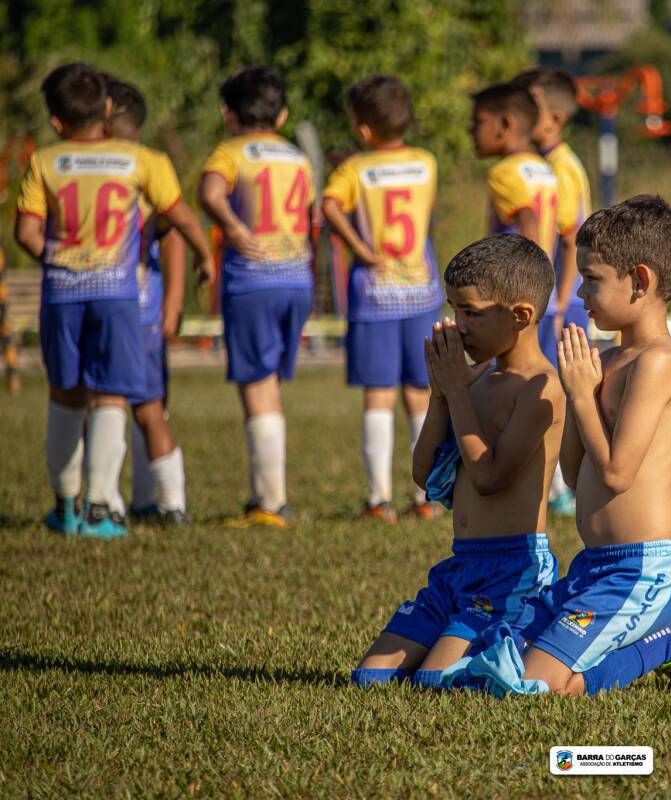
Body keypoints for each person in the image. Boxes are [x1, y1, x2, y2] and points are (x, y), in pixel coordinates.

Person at [514, 195, 671, 696]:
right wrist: (579, 393)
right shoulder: (608, 361)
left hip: (642, 569)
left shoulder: (660, 363)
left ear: (640, 281)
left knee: (538, 685)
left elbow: (616, 474)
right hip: (594, 566)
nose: (580, 291)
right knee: (501, 659)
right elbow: (576, 473)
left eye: (591, 279)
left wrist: (582, 396)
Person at [351, 234, 564, 689]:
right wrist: (440, 397)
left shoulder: (541, 387)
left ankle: (527, 634)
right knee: (370, 678)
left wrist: (457, 393)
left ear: (520, 315)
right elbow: (425, 476)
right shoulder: (476, 381)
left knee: (435, 682)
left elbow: (488, 477)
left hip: (512, 573)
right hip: (460, 567)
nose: (458, 325)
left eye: (471, 312)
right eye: (454, 310)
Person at [14, 62, 213, 538]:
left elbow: (26, 232)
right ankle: (101, 509)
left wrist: (60, 257)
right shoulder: (142, 160)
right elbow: (180, 217)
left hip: (63, 295)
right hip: (116, 295)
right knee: (111, 395)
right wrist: (206, 254)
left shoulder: (45, 162)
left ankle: (65, 505)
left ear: (56, 121)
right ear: (106, 108)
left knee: (65, 396)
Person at [321, 75, 443, 522]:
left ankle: (378, 500)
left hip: (375, 295)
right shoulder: (426, 162)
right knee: (420, 393)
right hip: (421, 291)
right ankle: (426, 498)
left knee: (378, 395)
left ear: (363, 128)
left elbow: (329, 206)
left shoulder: (354, 170)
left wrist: (359, 247)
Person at [198, 66, 314, 528]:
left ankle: (269, 501)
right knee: (271, 383)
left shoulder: (230, 152)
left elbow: (209, 193)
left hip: (252, 280)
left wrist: (233, 228)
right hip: (297, 277)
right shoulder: (297, 157)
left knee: (256, 385)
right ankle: (269, 496)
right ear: (282, 116)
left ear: (228, 114)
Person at [103, 75, 191, 526]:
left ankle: (115, 501)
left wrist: (172, 300)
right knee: (146, 407)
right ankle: (156, 502)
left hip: (123, 305)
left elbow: (171, 230)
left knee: (115, 406)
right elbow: (173, 231)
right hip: (140, 304)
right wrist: (172, 300)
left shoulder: (129, 167)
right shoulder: (149, 164)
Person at [512, 67, 592, 516]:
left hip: (563, 299)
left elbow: (570, 237)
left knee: (551, 391)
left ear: (556, 117)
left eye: (533, 108)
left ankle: (561, 486)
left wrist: (559, 302)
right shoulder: (549, 163)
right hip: (561, 299)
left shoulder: (559, 167)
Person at [471, 83, 559, 258]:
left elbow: (527, 220)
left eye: (478, 121)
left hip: (519, 274)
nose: (471, 130)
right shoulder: (545, 169)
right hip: (547, 272)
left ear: (504, 124)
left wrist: (529, 271)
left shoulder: (504, 172)